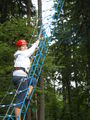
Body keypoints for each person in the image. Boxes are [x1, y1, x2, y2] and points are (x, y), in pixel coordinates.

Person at [12, 39, 40, 120]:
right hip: (20, 78)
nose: (25, 47)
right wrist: (36, 43)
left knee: (33, 80)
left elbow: (27, 64)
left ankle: (27, 94)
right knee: (20, 100)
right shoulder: (21, 53)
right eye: (23, 46)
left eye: (25, 45)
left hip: (21, 76)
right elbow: (30, 50)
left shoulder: (22, 56)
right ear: (19, 48)